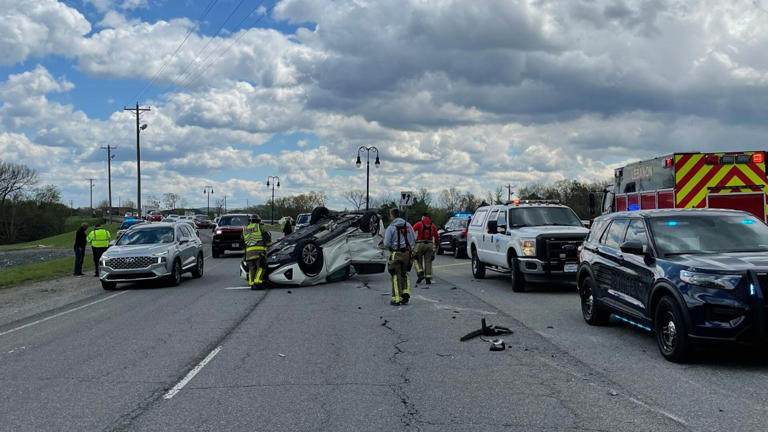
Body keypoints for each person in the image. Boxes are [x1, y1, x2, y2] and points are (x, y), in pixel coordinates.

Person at [383, 208, 415, 305]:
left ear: (392, 215)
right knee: (404, 274)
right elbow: (413, 238)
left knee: (395, 275)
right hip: (407, 254)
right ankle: (406, 293)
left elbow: (386, 243)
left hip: (396, 254)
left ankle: (397, 298)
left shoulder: (391, 227)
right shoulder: (408, 225)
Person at [243, 214, 272, 290]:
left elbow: (242, 241)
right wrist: (268, 245)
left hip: (248, 253)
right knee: (261, 267)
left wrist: (246, 251)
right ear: (259, 220)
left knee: (251, 269)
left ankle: (252, 284)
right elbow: (267, 236)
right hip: (258, 252)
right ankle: (258, 283)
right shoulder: (259, 227)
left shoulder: (245, 229)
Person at [412, 213, 439, 285]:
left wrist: (411, 243)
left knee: (416, 258)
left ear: (423, 217)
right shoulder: (433, 225)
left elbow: (411, 231)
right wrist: (436, 246)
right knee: (428, 261)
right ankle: (428, 279)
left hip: (419, 244)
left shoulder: (419, 224)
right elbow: (436, 237)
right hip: (430, 244)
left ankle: (420, 273)